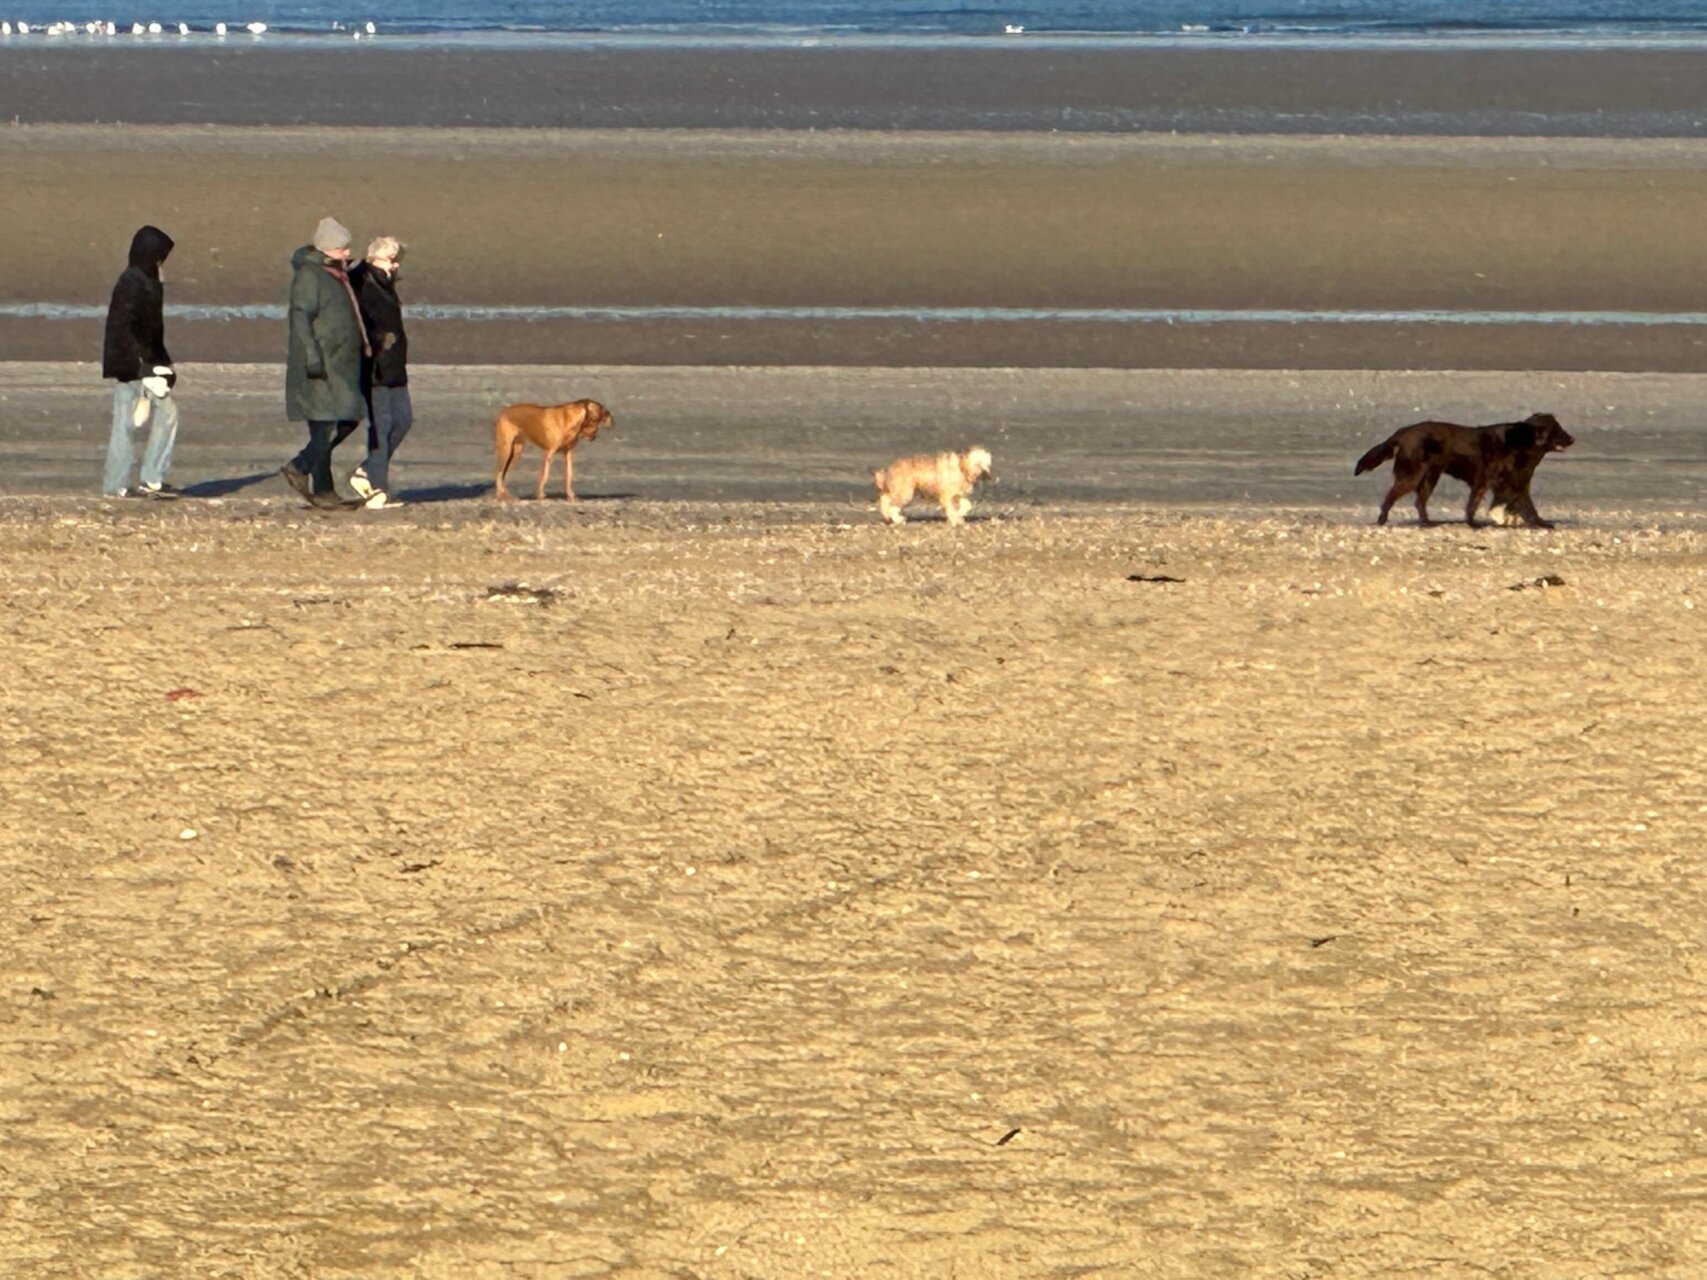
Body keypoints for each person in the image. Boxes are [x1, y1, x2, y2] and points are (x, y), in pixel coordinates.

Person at [280, 216, 369, 509]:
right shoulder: (310, 276)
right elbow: (300, 318)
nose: (348, 253)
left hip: (338, 364)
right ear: (330, 249)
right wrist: (313, 357)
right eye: (344, 249)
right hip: (320, 366)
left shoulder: (334, 274)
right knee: (328, 425)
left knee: (337, 420)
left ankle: (323, 489)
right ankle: (300, 467)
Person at [102, 225, 181, 499]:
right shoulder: (131, 282)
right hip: (129, 367)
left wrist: (165, 364)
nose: (162, 262)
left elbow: (152, 331)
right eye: (160, 256)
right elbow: (122, 330)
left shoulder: (150, 281)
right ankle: (117, 485)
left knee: (167, 414)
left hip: (147, 365)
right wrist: (142, 367)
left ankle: (152, 479)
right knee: (125, 424)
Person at [346, 236, 411, 509]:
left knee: (403, 421)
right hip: (374, 369)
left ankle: (365, 472)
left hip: (395, 367)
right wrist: (377, 341)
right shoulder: (361, 283)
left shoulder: (386, 283)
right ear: (374, 259)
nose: (395, 266)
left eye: (397, 261)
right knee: (381, 427)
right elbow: (358, 324)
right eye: (390, 260)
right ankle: (377, 488)